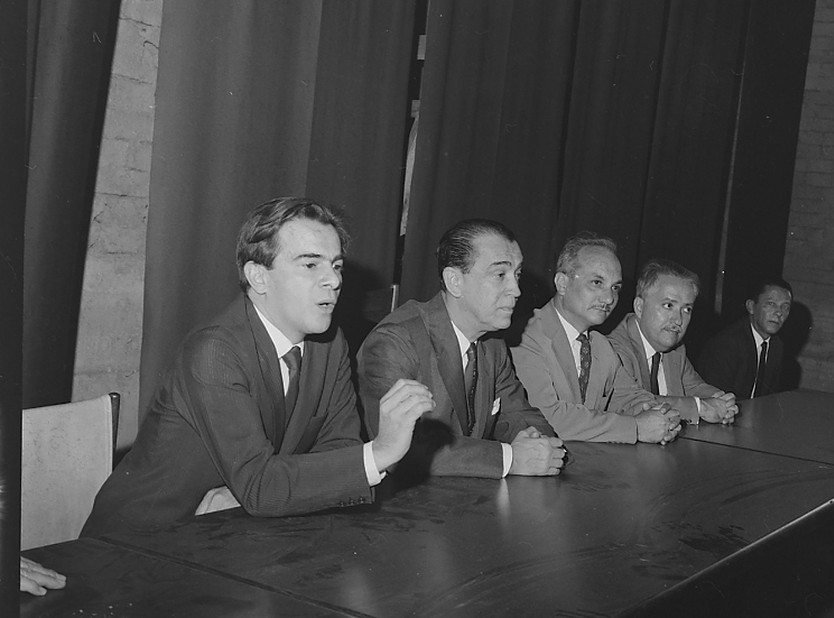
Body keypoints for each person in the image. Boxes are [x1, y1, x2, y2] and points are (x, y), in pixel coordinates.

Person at [81, 197, 433, 536]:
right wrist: (381, 451)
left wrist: (247, 494)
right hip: (143, 542)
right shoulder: (214, 351)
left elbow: (335, 448)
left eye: (336, 265)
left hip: (233, 532)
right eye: (311, 265)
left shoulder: (329, 344)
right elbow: (263, 485)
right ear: (259, 277)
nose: (334, 280)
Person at [357, 219, 565, 479]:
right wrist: (510, 459)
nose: (516, 290)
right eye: (500, 275)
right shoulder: (395, 341)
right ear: (455, 281)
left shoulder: (492, 343)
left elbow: (518, 413)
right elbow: (399, 449)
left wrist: (540, 445)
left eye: (517, 274)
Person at [512, 233, 681, 444]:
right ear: (562, 283)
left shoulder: (600, 345)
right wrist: (636, 428)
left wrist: (660, 414)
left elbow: (629, 396)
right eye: (597, 282)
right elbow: (547, 418)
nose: (609, 298)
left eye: (615, 287)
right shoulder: (525, 337)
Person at [608, 259, 738, 424]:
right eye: (668, 305)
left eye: (686, 309)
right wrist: (701, 407)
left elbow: (694, 387)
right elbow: (634, 404)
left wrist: (721, 400)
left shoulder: (675, 348)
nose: (678, 320)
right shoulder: (613, 348)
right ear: (639, 307)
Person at [697, 278, 793, 400]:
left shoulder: (776, 346)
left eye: (785, 307)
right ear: (751, 306)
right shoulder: (727, 343)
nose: (779, 313)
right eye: (771, 304)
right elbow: (715, 399)